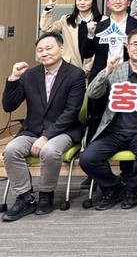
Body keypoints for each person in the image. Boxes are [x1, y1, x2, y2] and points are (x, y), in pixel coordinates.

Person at [79, 28, 137, 210]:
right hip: (113, 131)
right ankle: (113, 187)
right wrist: (106, 70)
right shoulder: (115, 70)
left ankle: (132, 187)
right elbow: (92, 93)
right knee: (87, 158)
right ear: (127, 46)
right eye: (135, 44)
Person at [1, 33, 86, 221]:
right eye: (40, 50)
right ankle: (25, 198)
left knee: (49, 151)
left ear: (61, 49)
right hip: (32, 129)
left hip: (63, 130)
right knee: (11, 150)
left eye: (49, 48)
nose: (44, 53)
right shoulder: (30, 75)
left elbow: (71, 111)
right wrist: (14, 77)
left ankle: (46, 194)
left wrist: (46, 136)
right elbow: (9, 105)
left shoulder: (75, 74)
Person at [80, 0, 137, 143]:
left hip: (129, 76)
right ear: (108, 3)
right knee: (98, 115)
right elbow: (86, 53)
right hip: (103, 75)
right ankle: (94, 146)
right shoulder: (98, 26)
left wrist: (133, 48)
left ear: (128, 2)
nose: (118, 1)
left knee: (127, 115)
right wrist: (90, 34)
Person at [39, 0, 101, 76]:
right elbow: (46, 27)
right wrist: (49, 7)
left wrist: (89, 67)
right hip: (71, 67)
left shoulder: (103, 21)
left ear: (93, 2)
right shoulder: (66, 20)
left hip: (95, 68)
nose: (82, 2)